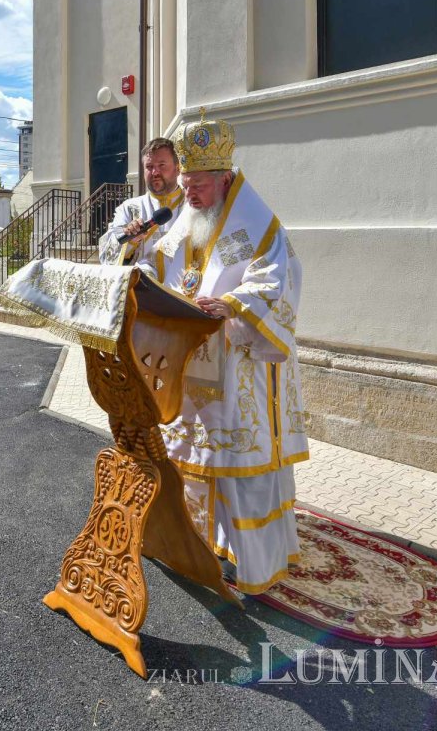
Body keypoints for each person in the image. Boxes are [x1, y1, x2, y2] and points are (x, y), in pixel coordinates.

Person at [136, 112, 307, 595]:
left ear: (225, 179)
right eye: (186, 185)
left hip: (237, 362)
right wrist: (138, 270)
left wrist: (233, 303)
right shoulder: (186, 221)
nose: (189, 194)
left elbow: (281, 279)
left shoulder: (258, 226)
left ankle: (243, 556)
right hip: (190, 358)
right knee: (192, 452)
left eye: (199, 186)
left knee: (233, 458)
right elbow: (160, 265)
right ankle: (196, 541)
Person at [98, 138, 183, 265]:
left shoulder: (192, 206)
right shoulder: (129, 208)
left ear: (177, 168)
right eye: (149, 167)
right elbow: (107, 257)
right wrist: (131, 240)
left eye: (162, 165)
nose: (155, 172)